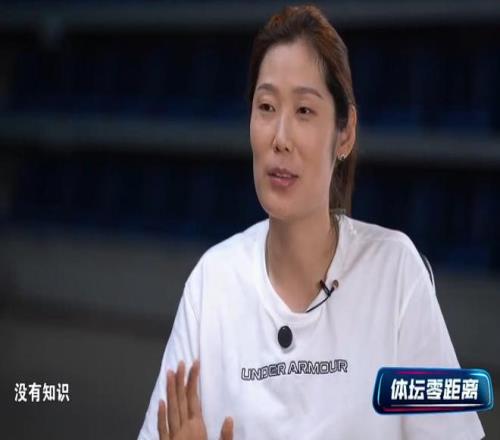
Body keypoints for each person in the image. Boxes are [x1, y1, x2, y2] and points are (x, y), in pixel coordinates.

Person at [138, 5, 485, 439]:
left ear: (345, 132)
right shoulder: (213, 282)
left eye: (304, 111)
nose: (280, 138)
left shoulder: (395, 271)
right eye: (266, 107)